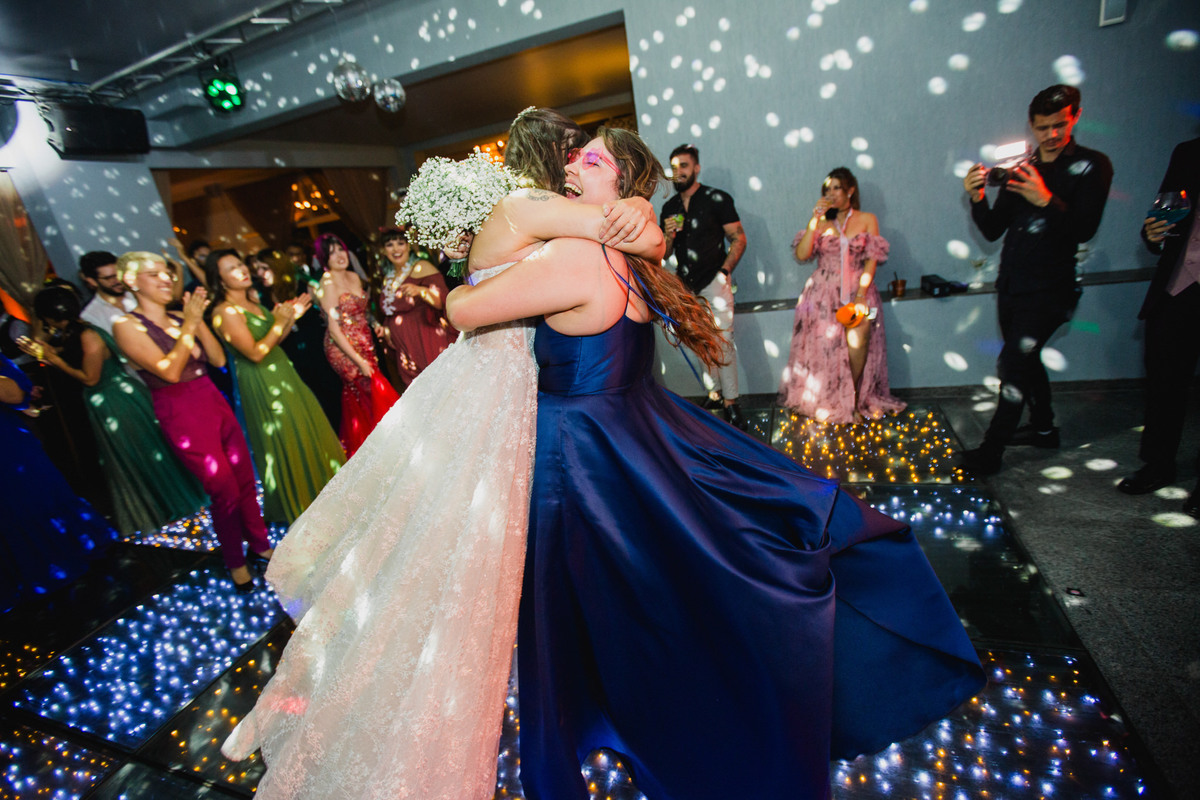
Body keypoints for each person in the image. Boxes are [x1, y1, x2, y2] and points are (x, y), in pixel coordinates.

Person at [447, 127, 984, 800]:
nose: (571, 164)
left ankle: (611, 745)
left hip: (575, 462)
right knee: (639, 606)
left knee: (579, 618)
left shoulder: (579, 257)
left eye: (590, 158)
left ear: (623, 185)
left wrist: (477, 257)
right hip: (619, 448)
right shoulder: (624, 253)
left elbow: (462, 307)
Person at [220, 107, 662, 800]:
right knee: (460, 554)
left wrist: (640, 206)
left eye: (591, 157)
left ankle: (547, 679)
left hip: (510, 381)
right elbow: (609, 237)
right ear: (553, 158)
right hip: (500, 378)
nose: (578, 162)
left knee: (479, 551)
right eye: (574, 151)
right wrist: (641, 206)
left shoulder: (540, 214)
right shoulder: (529, 204)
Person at [961, 84, 1113, 475]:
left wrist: (1046, 199)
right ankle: (1044, 427)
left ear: (1074, 117)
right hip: (1012, 285)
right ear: (1032, 125)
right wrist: (977, 197)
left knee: (1013, 364)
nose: (1052, 134)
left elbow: (1084, 227)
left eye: (1059, 125)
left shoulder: (1092, 165)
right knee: (1025, 360)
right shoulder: (1023, 168)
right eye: (1043, 127)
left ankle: (990, 452)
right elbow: (993, 230)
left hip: (1052, 289)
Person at [112, 252, 272, 592]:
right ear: (131, 281)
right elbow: (168, 371)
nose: (166, 279)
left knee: (244, 478)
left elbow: (216, 359)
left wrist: (195, 321)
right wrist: (189, 323)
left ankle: (260, 544)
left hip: (212, 398)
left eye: (167, 273)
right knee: (223, 488)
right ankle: (235, 561)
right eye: (154, 274)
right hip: (180, 410)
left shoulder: (179, 316)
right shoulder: (126, 325)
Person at [18, 286, 208, 535]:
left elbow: (90, 377)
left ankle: (175, 505)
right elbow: (60, 350)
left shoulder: (88, 334)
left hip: (117, 401)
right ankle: (165, 505)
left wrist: (55, 360)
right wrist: (50, 350)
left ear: (51, 316)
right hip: (107, 400)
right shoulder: (72, 332)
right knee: (137, 455)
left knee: (141, 453)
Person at [206, 249, 345, 525]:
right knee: (286, 436)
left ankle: (327, 492)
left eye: (240, 263)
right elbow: (256, 353)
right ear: (219, 280)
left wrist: (290, 317)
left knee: (306, 428)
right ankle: (303, 503)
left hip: (283, 371)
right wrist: (281, 320)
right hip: (262, 381)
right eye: (232, 268)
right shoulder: (224, 312)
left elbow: (274, 342)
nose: (243, 270)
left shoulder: (253, 301)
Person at [779, 167, 905, 423]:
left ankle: (855, 398)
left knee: (858, 342)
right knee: (826, 348)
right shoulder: (822, 222)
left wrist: (861, 294)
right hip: (822, 292)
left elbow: (872, 259)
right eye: (827, 189)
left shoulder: (867, 218)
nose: (832, 193)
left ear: (850, 190)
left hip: (859, 291)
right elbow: (803, 255)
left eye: (837, 187)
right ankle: (833, 400)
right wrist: (813, 220)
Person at [1117, 137, 1200, 514]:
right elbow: (1164, 213)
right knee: (1164, 378)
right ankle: (1158, 463)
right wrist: (1151, 235)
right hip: (1178, 284)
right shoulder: (1186, 152)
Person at [1, 352, 118, 613]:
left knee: (29, 499)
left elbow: (18, 395)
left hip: (11, 445)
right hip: (10, 452)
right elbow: (16, 395)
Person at [659, 143, 748, 429]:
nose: (678, 172)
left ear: (696, 168)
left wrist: (724, 271)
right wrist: (668, 235)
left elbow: (738, 238)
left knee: (723, 340)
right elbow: (664, 254)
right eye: (673, 168)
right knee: (699, 340)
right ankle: (714, 394)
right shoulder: (669, 208)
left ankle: (732, 403)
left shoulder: (716, 198)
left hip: (714, 280)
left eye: (683, 166)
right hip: (686, 286)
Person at [315, 232, 399, 455]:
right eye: (331, 253)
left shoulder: (354, 276)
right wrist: (359, 360)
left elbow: (362, 311)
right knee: (365, 393)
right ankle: (374, 449)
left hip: (365, 340)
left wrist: (375, 324)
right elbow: (334, 328)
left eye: (340, 249)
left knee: (373, 391)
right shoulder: (327, 282)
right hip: (343, 348)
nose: (339, 256)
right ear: (324, 259)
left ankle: (385, 443)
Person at [372, 227, 458, 388]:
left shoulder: (422, 267)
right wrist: (386, 328)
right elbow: (391, 312)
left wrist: (421, 291)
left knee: (439, 385)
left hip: (425, 339)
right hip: (404, 349)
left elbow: (442, 300)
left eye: (401, 243)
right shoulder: (387, 278)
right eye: (390, 245)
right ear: (384, 250)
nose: (396, 249)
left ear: (409, 246)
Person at [78, 251, 138, 336]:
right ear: (92, 281)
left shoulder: (139, 294)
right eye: (109, 278)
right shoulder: (91, 315)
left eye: (119, 274)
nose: (118, 280)